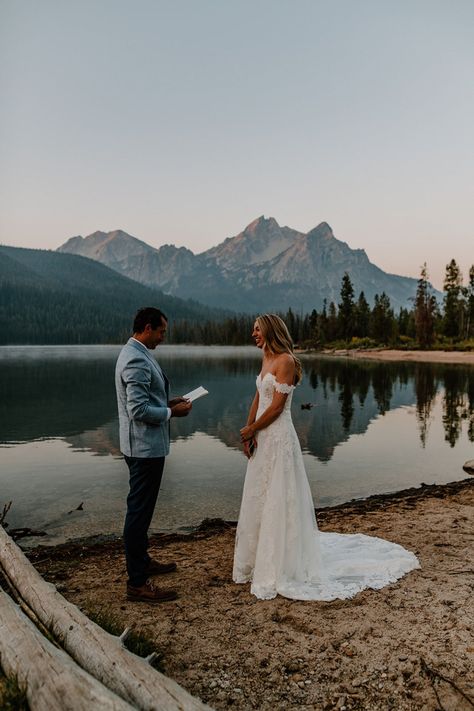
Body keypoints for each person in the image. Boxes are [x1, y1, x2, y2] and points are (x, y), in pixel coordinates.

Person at [233, 314, 419, 600]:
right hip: (262, 436)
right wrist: (249, 432)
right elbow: (259, 399)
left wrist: (253, 428)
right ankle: (258, 558)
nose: (253, 334)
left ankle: (282, 561)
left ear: (270, 331)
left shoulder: (286, 361)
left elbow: (278, 408)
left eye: (257, 330)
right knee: (260, 492)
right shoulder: (266, 358)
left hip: (279, 437)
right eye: (253, 329)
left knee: (280, 495)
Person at [115, 307, 192, 603]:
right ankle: (136, 583)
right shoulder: (135, 357)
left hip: (143, 447)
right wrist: (172, 412)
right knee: (138, 513)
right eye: (161, 332)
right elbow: (138, 410)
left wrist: (168, 401)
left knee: (142, 510)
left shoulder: (136, 351)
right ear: (147, 327)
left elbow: (147, 399)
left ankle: (142, 562)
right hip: (144, 450)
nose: (163, 337)